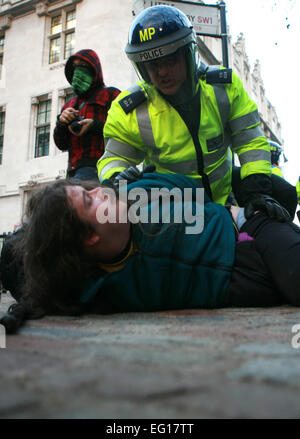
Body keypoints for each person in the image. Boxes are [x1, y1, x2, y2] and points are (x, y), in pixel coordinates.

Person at [1, 171, 300, 334]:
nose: (99, 191)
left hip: (247, 232)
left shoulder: (141, 193)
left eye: (89, 189)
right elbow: (50, 290)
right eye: (89, 202)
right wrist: (24, 307)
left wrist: (143, 179)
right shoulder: (98, 286)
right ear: (88, 238)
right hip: (239, 286)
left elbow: (193, 188)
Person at [97, 5, 288, 223]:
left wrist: (257, 192)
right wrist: (115, 178)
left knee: (286, 197)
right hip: (174, 211)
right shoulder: (130, 109)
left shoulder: (223, 87)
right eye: (153, 64)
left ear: (188, 55)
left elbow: (250, 140)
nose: (162, 72)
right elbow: (114, 158)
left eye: (170, 61)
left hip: (225, 197)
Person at [54, 49, 120, 180]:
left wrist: (95, 125)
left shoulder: (111, 95)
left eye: (83, 66)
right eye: (75, 67)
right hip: (73, 172)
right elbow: (61, 144)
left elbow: (127, 129)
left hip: (104, 167)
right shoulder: (68, 105)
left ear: (94, 69)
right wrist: (61, 123)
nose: (78, 71)